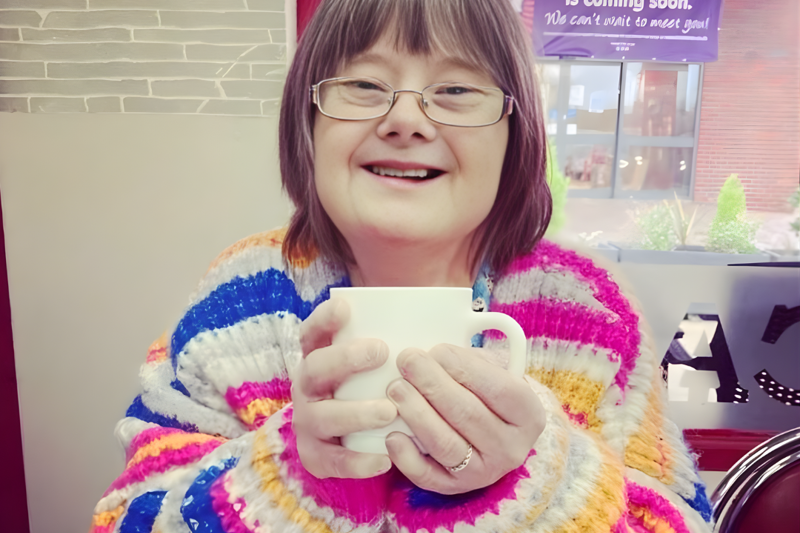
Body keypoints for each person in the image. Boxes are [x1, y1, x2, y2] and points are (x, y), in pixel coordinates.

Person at [89, 0, 714, 531]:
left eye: (456, 90)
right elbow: (126, 517)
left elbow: (678, 519)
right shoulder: (239, 299)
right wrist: (289, 475)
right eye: (364, 85)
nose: (406, 121)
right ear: (308, 121)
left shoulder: (588, 310)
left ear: (515, 130)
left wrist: (535, 480)